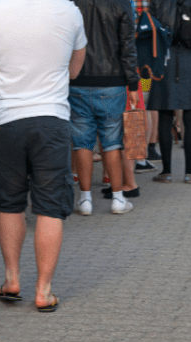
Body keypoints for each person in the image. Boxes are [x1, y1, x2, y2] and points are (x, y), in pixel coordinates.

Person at [0, 0, 86, 312]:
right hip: (51, 117)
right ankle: (44, 290)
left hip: (5, 119)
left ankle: (12, 279)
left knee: (10, 201)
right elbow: (75, 70)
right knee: (50, 206)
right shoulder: (69, 11)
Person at [70, 0, 139, 216]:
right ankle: (118, 198)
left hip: (78, 79)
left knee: (82, 143)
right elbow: (128, 44)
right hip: (113, 80)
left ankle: (85, 199)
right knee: (112, 142)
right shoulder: (121, 3)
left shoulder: (72, 3)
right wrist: (134, 84)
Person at [148, 0, 191, 183]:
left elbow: (151, 27)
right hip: (190, 57)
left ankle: (166, 171)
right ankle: (190, 172)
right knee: (190, 115)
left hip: (165, 59)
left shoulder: (158, 2)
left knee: (165, 115)